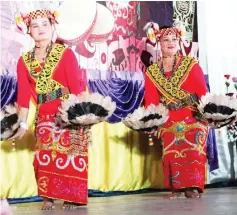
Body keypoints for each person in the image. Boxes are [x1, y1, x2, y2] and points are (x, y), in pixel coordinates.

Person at [10, 8, 89, 210]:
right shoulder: (24, 61)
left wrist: (80, 116)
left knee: (71, 155)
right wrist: (22, 123)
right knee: (44, 157)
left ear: (53, 27)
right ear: (29, 31)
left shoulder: (66, 54)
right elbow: (23, 98)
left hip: (67, 112)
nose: (41, 29)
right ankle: (48, 197)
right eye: (35, 26)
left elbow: (76, 88)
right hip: (44, 115)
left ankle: (72, 197)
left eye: (45, 24)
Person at [143, 23, 209, 199]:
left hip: (192, 115)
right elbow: (151, 101)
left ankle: (193, 186)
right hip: (169, 117)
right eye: (166, 39)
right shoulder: (152, 72)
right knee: (169, 137)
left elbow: (202, 93)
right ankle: (177, 188)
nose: (170, 43)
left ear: (179, 42)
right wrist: (152, 121)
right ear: (159, 42)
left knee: (194, 135)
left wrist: (207, 116)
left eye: (174, 39)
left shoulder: (190, 64)